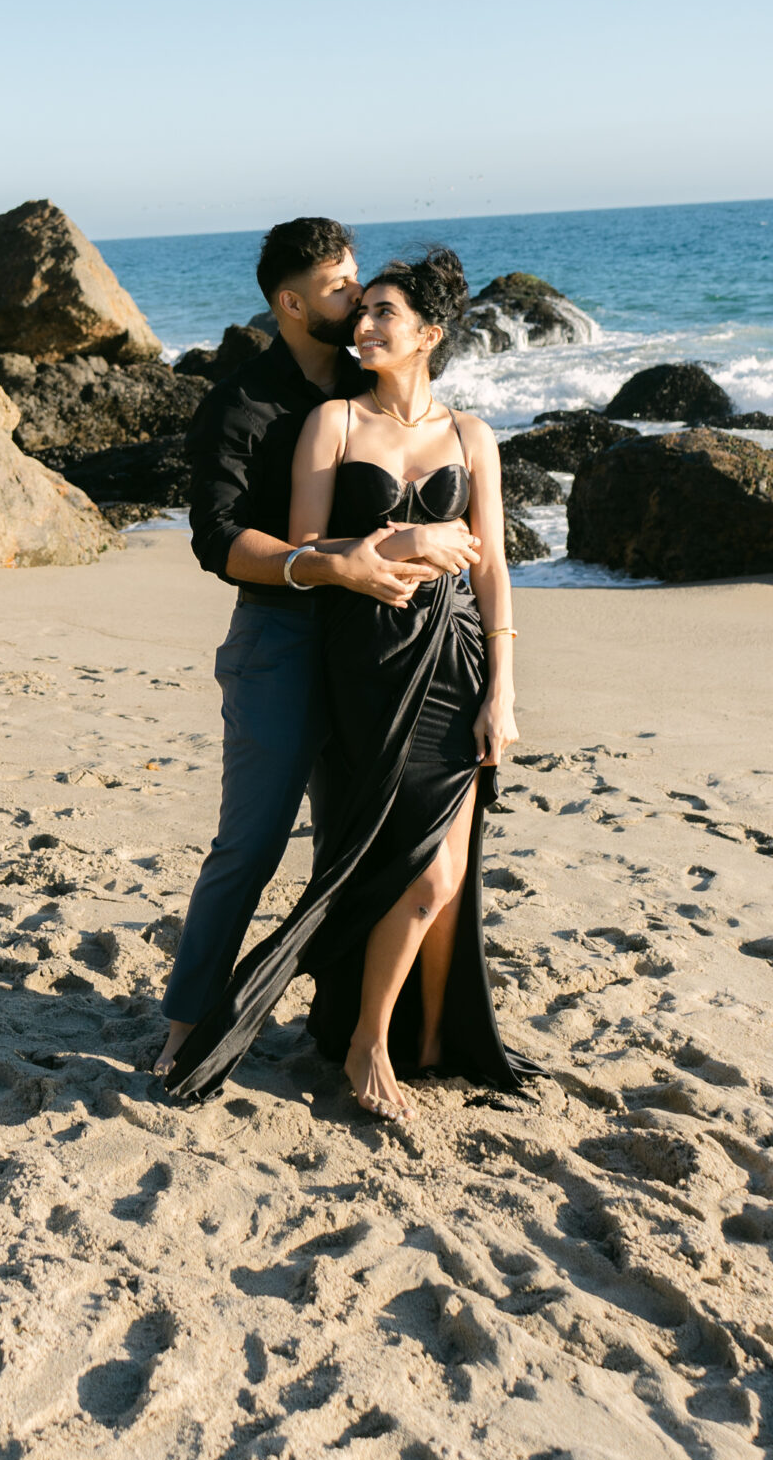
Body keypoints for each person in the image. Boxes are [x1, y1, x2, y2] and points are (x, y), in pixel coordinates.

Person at [165, 246, 532, 1116]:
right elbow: (303, 548)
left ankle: (389, 1038)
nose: (362, 325)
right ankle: (322, 1036)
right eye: (357, 307)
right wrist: (402, 543)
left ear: (429, 335)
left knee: (441, 874)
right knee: (364, 856)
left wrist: (504, 687)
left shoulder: (473, 436)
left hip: (453, 661)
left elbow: (494, 572)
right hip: (363, 664)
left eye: (381, 313)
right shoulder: (329, 421)